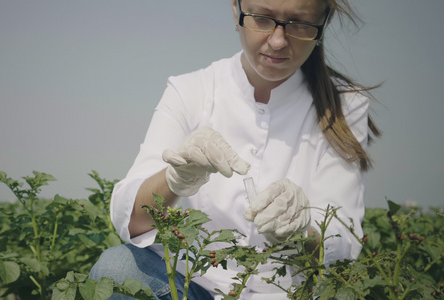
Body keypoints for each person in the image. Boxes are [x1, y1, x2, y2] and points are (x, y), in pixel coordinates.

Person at [89, 0, 380, 299]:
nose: (278, 41)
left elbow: (341, 244)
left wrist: (301, 231)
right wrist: (174, 179)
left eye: (300, 24)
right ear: (235, 10)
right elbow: (130, 220)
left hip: (284, 293)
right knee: (118, 269)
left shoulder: (345, 105)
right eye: (262, 18)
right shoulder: (192, 90)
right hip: (193, 285)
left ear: (323, 23)